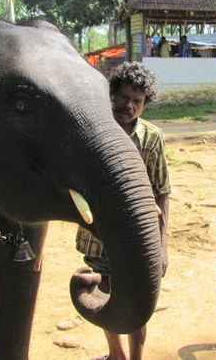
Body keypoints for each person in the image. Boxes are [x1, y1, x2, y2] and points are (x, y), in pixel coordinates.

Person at [76, 61, 171, 360]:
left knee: (138, 303)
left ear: (145, 105)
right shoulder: (90, 132)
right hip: (98, 237)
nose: (128, 106)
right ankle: (115, 353)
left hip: (139, 241)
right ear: (111, 95)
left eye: (137, 101)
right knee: (105, 297)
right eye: (123, 97)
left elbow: (162, 191)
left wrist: (162, 244)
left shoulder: (152, 139)